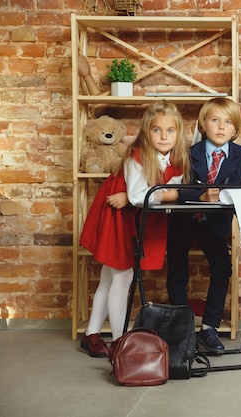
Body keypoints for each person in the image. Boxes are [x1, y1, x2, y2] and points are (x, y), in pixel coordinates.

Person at [79, 100, 190, 357]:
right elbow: (141, 196)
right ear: (146, 131)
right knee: (122, 277)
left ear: (178, 133)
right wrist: (167, 196)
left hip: (133, 214)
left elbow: (172, 188)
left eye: (170, 131)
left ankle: (91, 333)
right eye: (157, 130)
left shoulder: (176, 159)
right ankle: (120, 341)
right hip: (117, 214)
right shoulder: (136, 155)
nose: (163, 136)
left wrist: (167, 194)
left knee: (110, 276)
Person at [166, 97, 241, 354]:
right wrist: (199, 196)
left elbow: (236, 188)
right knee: (177, 270)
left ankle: (209, 328)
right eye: (215, 120)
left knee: (222, 268)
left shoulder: (239, 155)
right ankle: (183, 330)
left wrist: (218, 197)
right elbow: (178, 188)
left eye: (228, 122)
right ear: (203, 125)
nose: (221, 127)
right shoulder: (190, 153)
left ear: (235, 129)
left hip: (213, 222)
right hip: (184, 218)